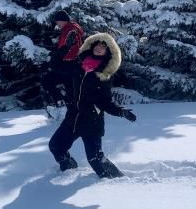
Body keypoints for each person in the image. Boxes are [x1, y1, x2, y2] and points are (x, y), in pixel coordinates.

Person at [48, 32, 137, 178]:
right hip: (73, 117)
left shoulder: (104, 74)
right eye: (97, 45)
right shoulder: (78, 66)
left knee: (95, 159)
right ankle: (69, 169)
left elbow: (105, 101)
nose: (99, 48)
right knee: (56, 146)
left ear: (108, 51)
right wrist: (62, 50)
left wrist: (120, 111)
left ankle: (118, 182)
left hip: (91, 120)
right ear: (91, 46)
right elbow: (57, 67)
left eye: (103, 46)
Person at [42, 10, 84, 106]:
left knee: (47, 81)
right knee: (69, 89)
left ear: (63, 20)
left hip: (68, 64)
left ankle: (63, 104)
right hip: (68, 64)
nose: (57, 23)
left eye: (57, 21)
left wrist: (59, 57)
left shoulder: (71, 30)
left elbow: (72, 47)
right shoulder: (68, 29)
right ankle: (66, 105)